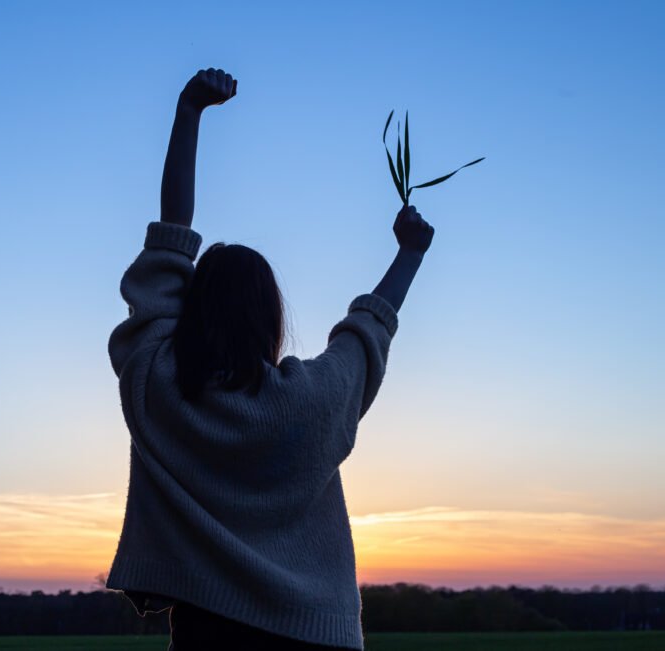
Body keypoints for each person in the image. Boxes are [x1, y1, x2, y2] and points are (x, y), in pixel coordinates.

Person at [106, 68, 433, 651]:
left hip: (207, 631)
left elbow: (169, 243)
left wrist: (188, 112)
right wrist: (410, 253)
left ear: (191, 308)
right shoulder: (311, 402)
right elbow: (367, 331)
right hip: (317, 634)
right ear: (269, 318)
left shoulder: (156, 386)